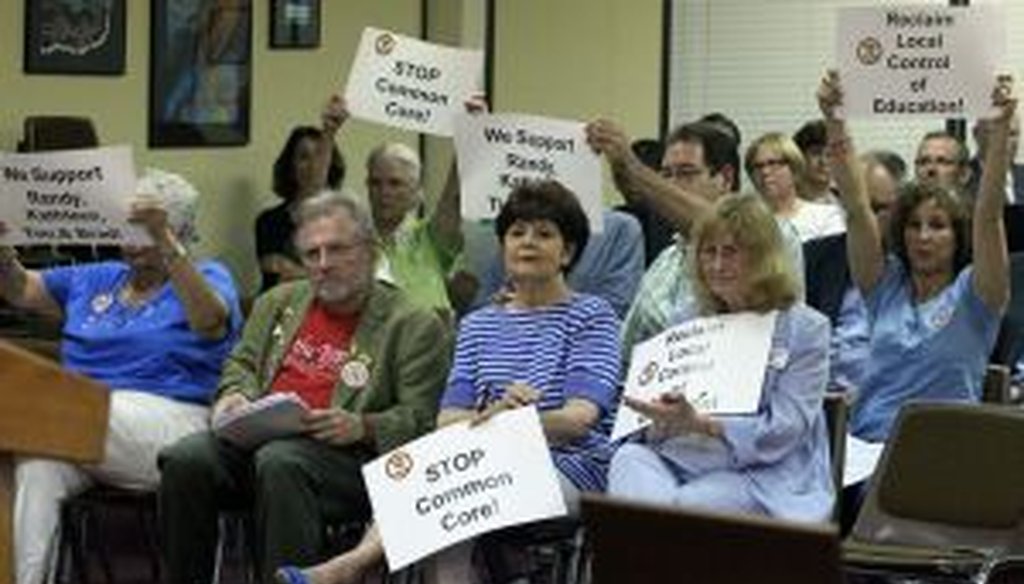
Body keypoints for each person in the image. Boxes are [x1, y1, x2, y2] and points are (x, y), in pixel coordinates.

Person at [274, 180, 621, 584]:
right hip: (482, 461)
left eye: (544, 234)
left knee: (452, 497)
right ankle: (353, 566)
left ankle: (351, 565)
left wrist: (502, 425)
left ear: (568, 252)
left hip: (569, 467)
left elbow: (578, 420)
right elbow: (447, 420)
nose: (528, 243)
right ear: (503, 246)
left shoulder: (593, 316)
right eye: (516, 233)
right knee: (433, 489)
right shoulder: (477, 325)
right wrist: (493, 418)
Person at [158, 191, 452, 584]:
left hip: (350, 463)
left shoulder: (414, 324)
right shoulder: (278, 302)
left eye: (337, 250)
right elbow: (242, 363)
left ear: (369, 251)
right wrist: (234, 395)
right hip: (260, 444)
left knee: (282, 461)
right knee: (185, 458)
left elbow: (423, 420)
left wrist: (363, 425)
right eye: (312, 255)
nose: (323, 265)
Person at [3, 168, 242, 584]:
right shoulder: (97, 275)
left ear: (179, 232)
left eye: (145, 230)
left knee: (33, 413)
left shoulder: (209, 276)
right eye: (127, 226)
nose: (132, 238)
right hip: (75, 419)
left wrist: (164, 240)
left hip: (168, 424)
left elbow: (210, 323)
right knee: (36, 465)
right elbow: (21, 289)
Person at [607, 194, 834, 523]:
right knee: (627, 459)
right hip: (678, 458)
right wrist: (654, 416)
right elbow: (653, 417)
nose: (716, 265)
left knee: (684, 506)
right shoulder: (685, 320)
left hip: (760, 473)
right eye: (708, 252)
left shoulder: (806, 329)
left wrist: (705, 425)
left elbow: (788, 429)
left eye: (730, 252)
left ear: (763, 257)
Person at [817, 70, 1013, 443]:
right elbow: (857, 208)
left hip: (944, 451)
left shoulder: (977, 293)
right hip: (866, 444)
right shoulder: (885, 283)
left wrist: (1000, 129)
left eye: (938, 226)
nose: (923, 237)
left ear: (958, 237)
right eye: (914, 225)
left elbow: (989, 215)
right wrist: (834, 118)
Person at [585, 119, 804, 357]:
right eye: (666, 175)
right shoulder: (665, 261)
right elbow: (626, 351)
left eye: (686, 173)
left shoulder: (772, 233)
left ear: (726, 178)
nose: (671, 186)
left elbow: (719, 225)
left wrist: (633, 167)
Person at [256, 101, 346, 291]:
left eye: (318, 155)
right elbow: (276, 272)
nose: (313, 165)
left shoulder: (345, 220)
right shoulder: (269, 221)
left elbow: (345, 277)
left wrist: (299, 271)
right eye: (304, 157)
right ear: (290, 166)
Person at [745, 132, 846, 242]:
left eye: (773, 163)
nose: (765, 172)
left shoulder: (825, 216)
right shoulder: (744, 221)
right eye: (758, 166)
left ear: (793, 168)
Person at [793, 119, 838, 205]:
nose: (824, 161)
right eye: (816, 153)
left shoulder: (845, 202)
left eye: (829, 155)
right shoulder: (787, 203)